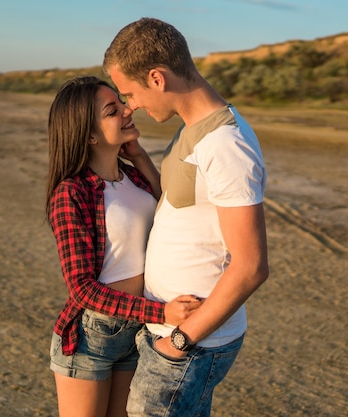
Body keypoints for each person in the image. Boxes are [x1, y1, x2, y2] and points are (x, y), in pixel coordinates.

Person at [103, 18, 270, 416]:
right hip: (172, 334)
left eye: (130, 93)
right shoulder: (193, 130)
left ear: (157, 78)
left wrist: (178, 342)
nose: (130, 106)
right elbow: (182, 207)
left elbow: (251, 266)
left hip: (192, 342)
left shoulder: (225, 145)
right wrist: (140, 159)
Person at [45, 76, 203, 417]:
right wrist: (161, 313)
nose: (128, 110)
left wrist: (141, 156)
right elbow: (82, 289)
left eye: (123, 102)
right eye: (112, 110)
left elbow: (171, 211)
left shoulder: (134, 177)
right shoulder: (71, 193)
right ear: (89, 134)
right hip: (92, 336)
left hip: (138, 333)